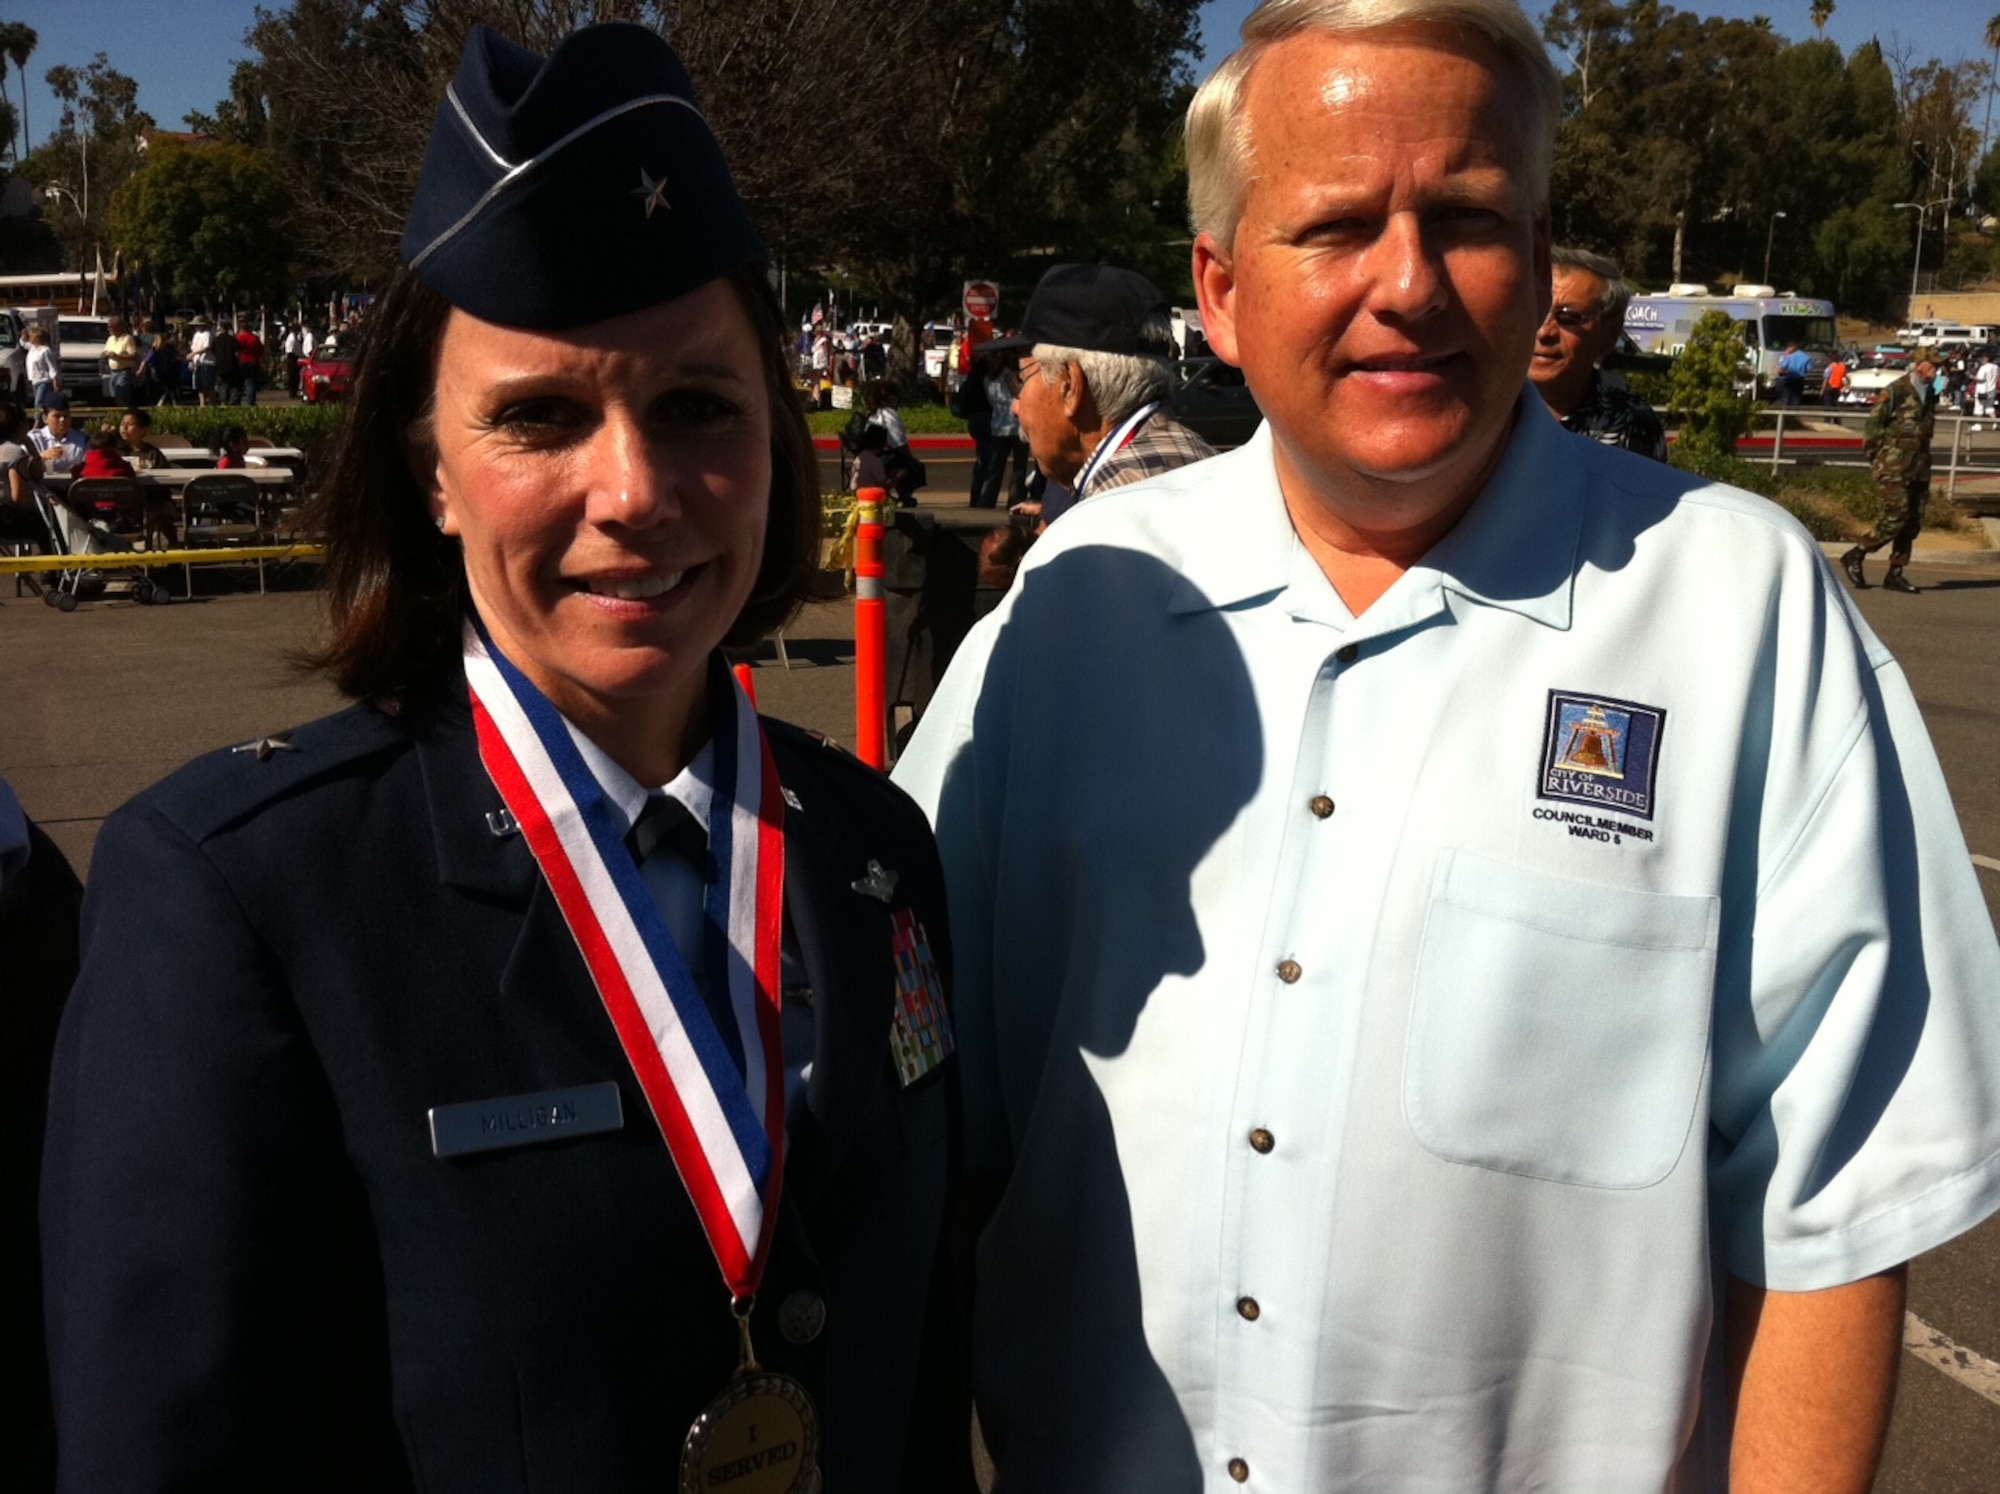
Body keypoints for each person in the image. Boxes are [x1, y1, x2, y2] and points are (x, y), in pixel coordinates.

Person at [891, 2, 2000, 1490]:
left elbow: (1835, 1217)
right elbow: (924, 1121)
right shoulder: (1076, 614)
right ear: (1218, 292)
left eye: (1467, 220)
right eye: (1336, 224)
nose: (1405, 285)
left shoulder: (1739, 615)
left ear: (1541, 261)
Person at [42, 22, 965, 1494]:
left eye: (698, 407)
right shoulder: (242, 897)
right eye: (541, 416)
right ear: (432, 475)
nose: (636, 492)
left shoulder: (871, 847)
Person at [986, 262, 1216, 527]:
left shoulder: (1102, 523)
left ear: (1070, 386)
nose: (1016, 406)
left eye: (1021, 379)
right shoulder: (1204, 461)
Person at [1527, 244, 1667, 461]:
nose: (1545, 331)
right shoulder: (1481, 406)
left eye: (1569, 317)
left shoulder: (1631, 422)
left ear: (1609, 334)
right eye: (1536, 310)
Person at [1841, 354, 1938, 596]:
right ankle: (1858, 552)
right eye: (1933, 365)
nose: (1937, 370)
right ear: (1919, 365)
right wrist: (1877, 460)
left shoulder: (1930, 393)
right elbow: (1873, 427)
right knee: (1897, 514)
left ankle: (1895, 573)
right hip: (1893, 466)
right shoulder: (1897, 391)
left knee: (1912, 522)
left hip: (1919, 466)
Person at [0, 401, 53, 554]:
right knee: (51, 525)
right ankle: (53, 570)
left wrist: (29, 444)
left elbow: (36, 472)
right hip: (6, 517)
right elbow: (19, 497)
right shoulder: (13, 453)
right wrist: (38, 510)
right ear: (19, 426)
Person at [28, 395, 85, 475]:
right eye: (57, 416)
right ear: (45, 418)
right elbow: (20, 464)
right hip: (41, 485)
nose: (62, 420)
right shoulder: (34, 439)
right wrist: (41, 457)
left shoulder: (82, 440)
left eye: (65, 416)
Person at [102, 316, 140, 408]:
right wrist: (106, 354)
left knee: (121, 395)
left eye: (111, 327)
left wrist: (118, 356)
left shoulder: (127, 339)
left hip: (123, 372)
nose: (109, 329)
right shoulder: (110, 339)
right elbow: (105, 351)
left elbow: (134, 356)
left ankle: (125, 412)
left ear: (118, 327)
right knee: (114, 395)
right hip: (112, 372)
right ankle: (120, 412)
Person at [24, 325, 58, 410]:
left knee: (38, 402)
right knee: (43, 403)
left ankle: (37, 421)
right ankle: (44, 419)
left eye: (31, 336)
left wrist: (55, 380)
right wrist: (23, 336)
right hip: (34, 380)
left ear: (37, 338)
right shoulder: (32, 348)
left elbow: (52, 366)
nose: (30, 338)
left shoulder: (45, 350)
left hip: (44, 381)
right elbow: (23, 343)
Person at [187, 315, 218, 405]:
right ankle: (202, 404)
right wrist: (192, 360)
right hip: (198, 364)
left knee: (208, 387)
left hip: (207, 363)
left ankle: (212, 404)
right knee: (200, 387)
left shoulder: (207, 334)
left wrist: (194, 354)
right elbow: (193, 348)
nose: (196, 327)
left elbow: (207, 347)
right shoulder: (196, 335)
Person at [234, 323, 266, 405]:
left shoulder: (238, 338)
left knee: (240, 383)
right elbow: (261, 351)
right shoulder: (254, 338)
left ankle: (237, 400)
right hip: (253, 361)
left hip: (242, 361)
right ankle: (251, 400)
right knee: (251, 382)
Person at [1776, 340, 1811, 405]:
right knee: (1797, 397)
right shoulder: (1807, 357)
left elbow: (1782, 366)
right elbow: (1809, 368)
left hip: (1789, 379)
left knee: (1787, 396)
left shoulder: (1789, 357)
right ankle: (1795, 410)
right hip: (1800, 379)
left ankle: (1786, 411)